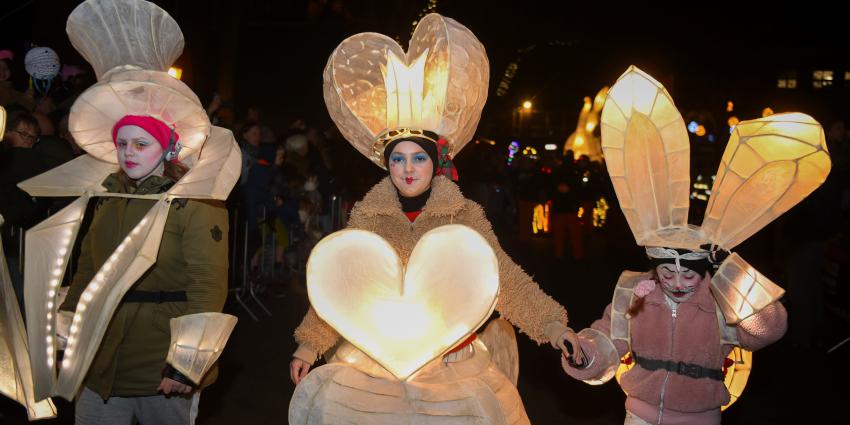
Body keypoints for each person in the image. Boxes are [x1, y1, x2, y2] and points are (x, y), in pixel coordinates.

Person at [288, 13, 578, 424]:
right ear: (387, 165)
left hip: (450, 360)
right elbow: (341, 287)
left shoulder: (464, 215)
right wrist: (307, 346)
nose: (408, 169)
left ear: (436, 162)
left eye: (418, 157)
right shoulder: (367, 218)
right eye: (399, 159)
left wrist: (553, 326)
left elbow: (504, 280)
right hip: (375, 359)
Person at [559, 66, 828, 425]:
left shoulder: (721, 302)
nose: (677, 282)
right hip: (639, 413)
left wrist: (729, 272)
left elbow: (769, 328)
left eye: (689, 275)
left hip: (700, 417)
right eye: (667, 272)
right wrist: (585, 355)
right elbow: (610, 340)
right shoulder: (633, 292)